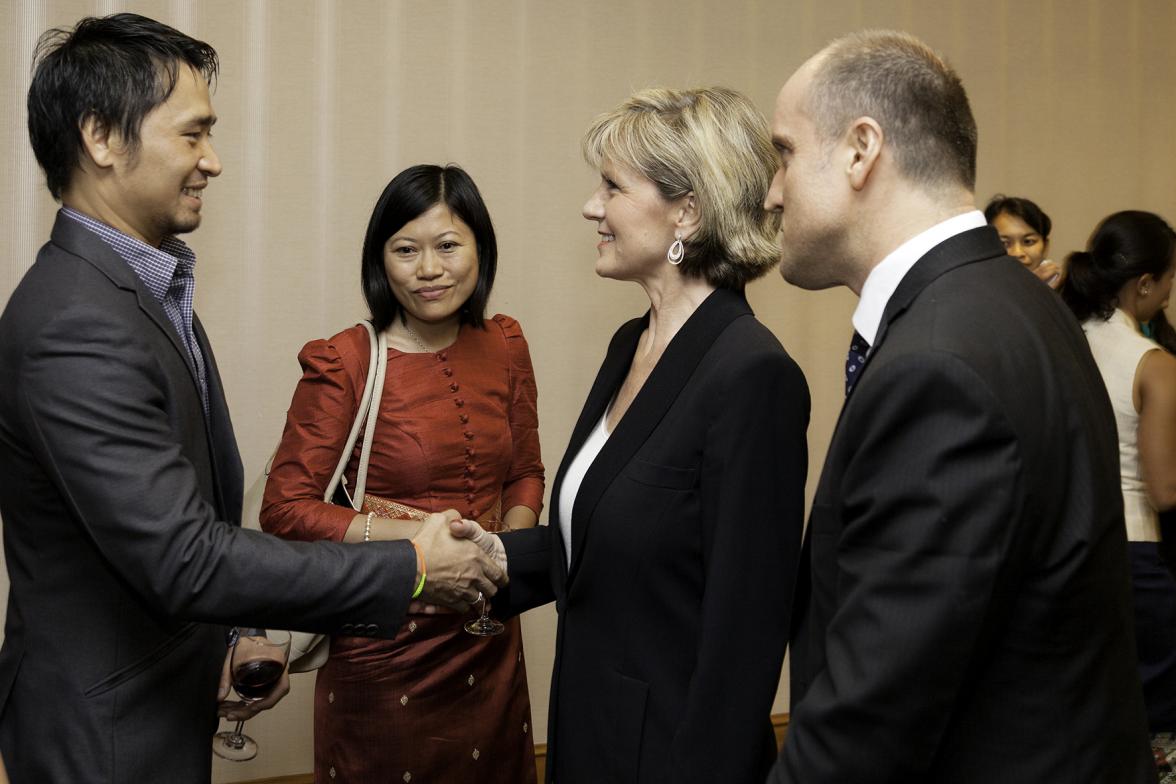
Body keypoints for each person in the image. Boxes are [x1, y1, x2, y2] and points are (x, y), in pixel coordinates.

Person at [0, 14, 502, 783]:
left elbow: (173, 520)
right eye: (192, 135)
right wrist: (412, 565)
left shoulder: (141, 287)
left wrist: (230, 637)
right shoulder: (75, 322)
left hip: (158, 698)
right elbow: (184, 557)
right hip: (105, 736)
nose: (214, 161)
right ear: (101, 137)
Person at [763, 31, 1153, 782]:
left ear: (860, 150)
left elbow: (874, 714)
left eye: (783, 153)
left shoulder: (939, 363)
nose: (773, 190)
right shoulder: (1013, 304)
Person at [458, 86, 810, 783]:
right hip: (591, 734)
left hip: (674, 756)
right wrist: (479, 559)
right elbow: (591, 545)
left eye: (613, 187)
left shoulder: (751, 374)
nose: (593, 207)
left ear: (689, 208)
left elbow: (745, 634)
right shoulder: (631, 342)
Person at [261, 164, 543, 783]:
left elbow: (525, 472)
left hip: (488, 633)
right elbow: (285, 508)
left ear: (480, 248)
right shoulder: (346, 360)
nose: (430, 269)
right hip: (385, 645)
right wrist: (420, 542)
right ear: (380, 260)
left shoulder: (506, 344)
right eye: (406, 250)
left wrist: (503, 554)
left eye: (448, 245)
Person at [1060, 211, 1176, 735]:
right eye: (1171, 278)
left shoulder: (1062, 337)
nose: (1171, 292)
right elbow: (1165, 489)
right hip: (1134, 553)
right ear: (1145, 283)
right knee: (1155, 718)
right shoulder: (1152, 363)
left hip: (1067, 549)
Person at [984, 194, 1062, 288]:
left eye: (1028, 242)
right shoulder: (975, 287)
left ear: (1045, 247)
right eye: (1004, 243)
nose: (1017, 253)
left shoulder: (1061, 287)